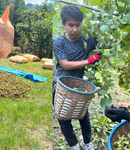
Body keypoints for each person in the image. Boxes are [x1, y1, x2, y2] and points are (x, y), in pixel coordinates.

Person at [53, 5, 102, 150]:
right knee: (64, 118)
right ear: (63, 24)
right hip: (61, 85)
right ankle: (74, 146)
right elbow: (65, 65)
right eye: (70, 25)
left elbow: (106, 44)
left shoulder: (85, 41)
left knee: (84, 117)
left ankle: (86, 143)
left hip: (78, 86)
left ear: (82, 24)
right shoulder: (58, 42)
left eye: (78, 25)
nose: (74, 29)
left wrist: (97, 45)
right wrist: (90, 60)